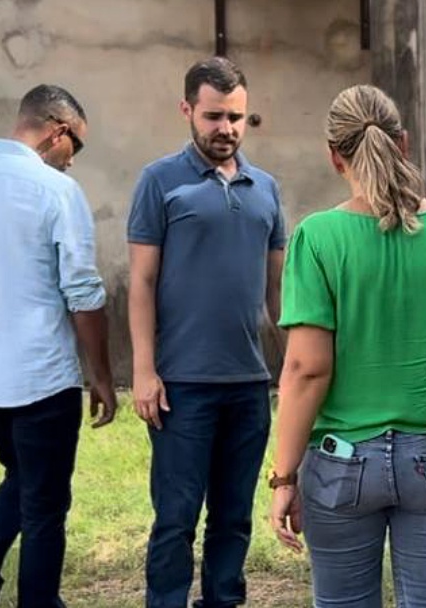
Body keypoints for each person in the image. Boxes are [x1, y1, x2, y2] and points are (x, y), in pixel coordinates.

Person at [268, 84, 426, 608]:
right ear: (403, 144)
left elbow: (305, 369)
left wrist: (284, 475)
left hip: (341, 465)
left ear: (334, 156)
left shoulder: (317, 238)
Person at [0, 84, 117, 608]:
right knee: (46, 503)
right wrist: (103, 377)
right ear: (57, 132)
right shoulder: (56, 191)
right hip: (39, 377)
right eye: (76, 148)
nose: (73, 161)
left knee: (22, 476)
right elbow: (84, 295)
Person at [127, 57, 286, 608]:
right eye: (214, 116)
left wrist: (293, 367)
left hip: (248, 384)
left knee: (234, 515)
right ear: (188, 110)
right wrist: (144, 371)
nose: (226, 129)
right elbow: (142, 283)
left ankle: (223, 599)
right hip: (181, 386)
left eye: (237, 117)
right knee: (175, 518)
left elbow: (277, 294)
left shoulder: (266, 187)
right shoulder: (159, 181)